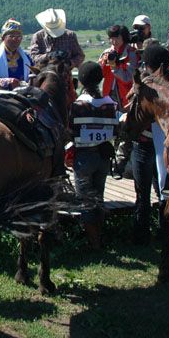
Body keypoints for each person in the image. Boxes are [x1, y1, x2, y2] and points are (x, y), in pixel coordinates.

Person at [69, 61, 119, 249]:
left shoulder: (78, 105)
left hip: (84, 157)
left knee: (85, 200)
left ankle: (94, 243)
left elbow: (71, 130)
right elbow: (115, 131)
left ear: (81, 80)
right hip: (104, 157)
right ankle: (99, 236)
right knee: (99, 197)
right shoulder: (110, 104)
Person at [131, 43, 169, 244]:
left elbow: (132, 106)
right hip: (168, 145)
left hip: (143, 141)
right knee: (165, 188)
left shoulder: (146, 85)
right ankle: (165, 228)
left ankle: (142, 232)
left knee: (142, 191)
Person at [0, 18, 32, 90]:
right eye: (11, 36)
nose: (15, 40)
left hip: (23, 95)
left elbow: (32, 76)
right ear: (3, 38)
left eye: (19, 37)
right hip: (0, 97)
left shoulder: (26, 58)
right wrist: (4, 82)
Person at [100, 24, 139, 110]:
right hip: (108, 95)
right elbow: (99, 75)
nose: (114, 41)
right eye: (111, 38)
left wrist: (114, 66)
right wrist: (103, 63)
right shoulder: (107, 53)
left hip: (126, 97)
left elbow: (128, 78)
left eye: (117, 38)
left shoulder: (131, 54)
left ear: (124, 37)